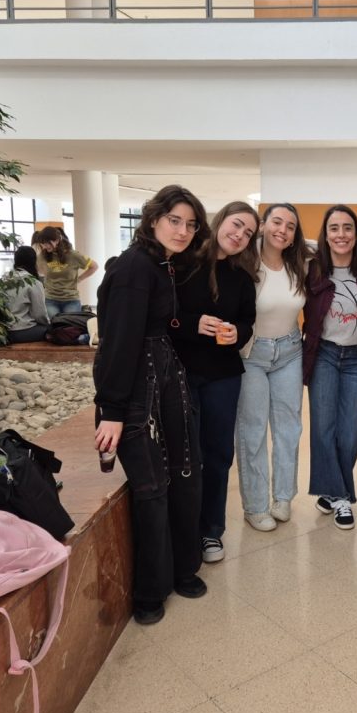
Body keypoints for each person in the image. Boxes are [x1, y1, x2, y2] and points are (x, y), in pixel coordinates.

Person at [92, 184, 209, 625]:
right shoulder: (134, 268)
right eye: (175, 220)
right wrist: (113, 411)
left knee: (184, 472)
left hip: (166, 380)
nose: (182, 230)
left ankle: (183, 569)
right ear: (154, 218)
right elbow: (118, 342)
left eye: (190, 224)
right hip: (135, 389)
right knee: (151, 488)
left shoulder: (164, 263)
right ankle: (149, 592)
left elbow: (162, 325)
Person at [172, 202, 259, 564]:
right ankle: (183, 531)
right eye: (236, 225)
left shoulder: (242, 277)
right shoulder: (181, 263)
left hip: (223, 375)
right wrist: (191, 324)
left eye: (248, 233)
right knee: (185, 455)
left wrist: (237, 332)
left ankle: (211, 530)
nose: (239, 235)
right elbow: (165, 314)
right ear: (220, 221)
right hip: (181, 373)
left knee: (219, 454)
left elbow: (247, 322)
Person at [303, 205, 357, 530]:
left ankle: (330, 487)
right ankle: (340, 498)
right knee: (323, 429)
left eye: (348, 227)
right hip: (323, 354)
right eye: (334, 228)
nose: (341, 234)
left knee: (351, 433)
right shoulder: (312, 267)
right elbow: (293, 241)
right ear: (325, 234)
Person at [235, 203, 312, 532]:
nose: (282, 230)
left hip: (290, 351)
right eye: (276, 222)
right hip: (251, 354)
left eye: (290, 226)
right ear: (263, 225)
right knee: (252, 431)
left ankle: (283, 497)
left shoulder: (300, 260)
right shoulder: (244, 258)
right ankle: (255, 506)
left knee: (288, 429)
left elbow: (342, 242)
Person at [37, 225, 98, 317]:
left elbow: (94, 266)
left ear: (57, 240)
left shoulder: (73, 255)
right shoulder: (42, 256)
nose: (45, 246)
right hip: (50, 299)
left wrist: (79, 279)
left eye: (47, 243)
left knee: (70, 325)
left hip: (71, 299)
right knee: (55, 325)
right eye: (43, 243)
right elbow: (39, 270)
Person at [4, 246, 50, 343]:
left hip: (3, 331)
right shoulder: (34, 283)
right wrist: (48, 323)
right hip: (22, 331)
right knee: (52, 329)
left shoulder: (3, 279)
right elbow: (39, 314)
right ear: (33, 262)